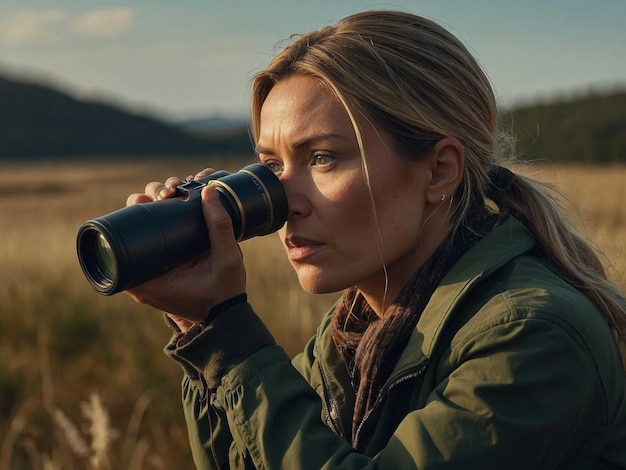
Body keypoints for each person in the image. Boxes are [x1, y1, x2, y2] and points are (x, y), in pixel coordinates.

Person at [125, 10, 626, 469]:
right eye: (273, 166)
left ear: (439, 171)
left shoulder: (533, 333)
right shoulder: (357, 333)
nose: (285, 202)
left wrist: (231, 342)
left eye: (322, 158)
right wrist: (201, 327)